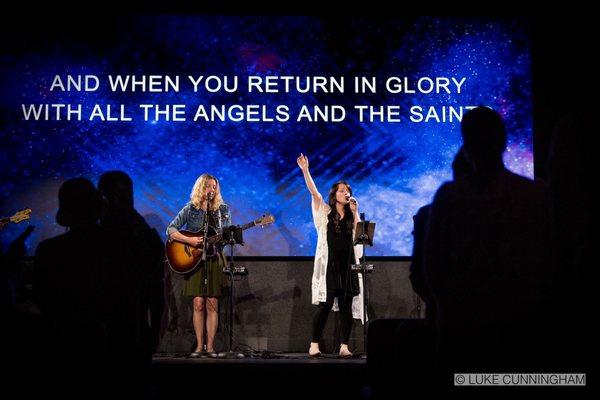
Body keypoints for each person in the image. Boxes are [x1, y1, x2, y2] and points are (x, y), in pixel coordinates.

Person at [297, 153, 363, 358]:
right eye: (342, 190)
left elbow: (361, 239)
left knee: (346, 307)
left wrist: (356, 210)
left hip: (348, 265)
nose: (346, 193)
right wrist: (305, 170)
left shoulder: (352, 216)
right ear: (335, 195)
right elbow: (314, 193)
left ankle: (344, 345)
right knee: (325, 306)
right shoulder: (325, 212)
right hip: (330, 266)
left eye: (348, 190)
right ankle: (314, 344)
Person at [166, 173, 231, 357]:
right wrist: (190, 240)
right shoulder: (191, 209)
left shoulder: (223, 210)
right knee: (198, 303)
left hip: (214, 259)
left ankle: (210, 347)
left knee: (212, 303)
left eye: (214, 187)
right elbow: (170, 229)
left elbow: (226, 235)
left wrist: (221, 239)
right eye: (208, 186)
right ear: (201, 188)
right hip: (194, 263)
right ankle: (199, 346)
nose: (211, 190)